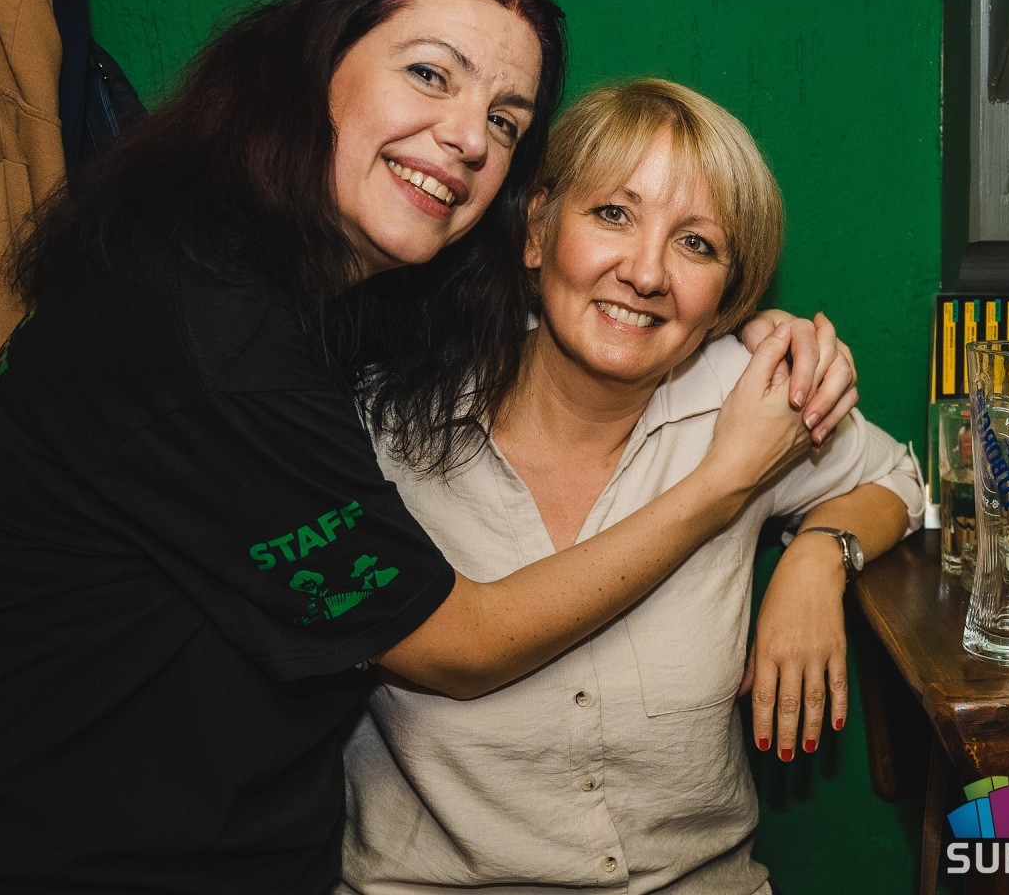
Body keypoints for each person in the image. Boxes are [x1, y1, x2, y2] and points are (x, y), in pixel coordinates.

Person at [0, 0, 855, 895]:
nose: (467, 136)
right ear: (312, 61)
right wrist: (727, 482)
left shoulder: (322, 305)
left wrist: (733, 340)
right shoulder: (215, 329)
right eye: (429, 73)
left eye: (506, 121)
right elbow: (458, 643)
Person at [338, 79, 923, 894]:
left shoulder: (744, 402)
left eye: (697, 244)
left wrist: (820, 556)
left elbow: (896, 477)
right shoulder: (383, 426)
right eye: (613, 214)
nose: (647, 273)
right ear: (537, 231)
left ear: (727, 295)